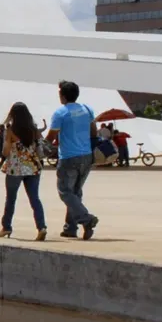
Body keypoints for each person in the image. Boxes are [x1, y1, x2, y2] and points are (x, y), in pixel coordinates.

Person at [47, 80, 99, 240]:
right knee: (75, 193)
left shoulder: (60, 113)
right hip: (86, 155)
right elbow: (93, 131)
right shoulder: (87, 109)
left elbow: (51, 137)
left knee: (65, 191)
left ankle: (86, 219)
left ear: (62, 95)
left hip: (69, 157)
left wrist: (42, 146)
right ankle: (70, 228)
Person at [0, 101, 47, 241]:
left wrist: (8, 148)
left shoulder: (11, 130)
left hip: (15, 168)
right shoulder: (34, 130)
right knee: (35, 198)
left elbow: (6, 151)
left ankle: (6, 227)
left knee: (11, 199)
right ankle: (41, 227)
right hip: (33, 166)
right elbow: (40, 148)